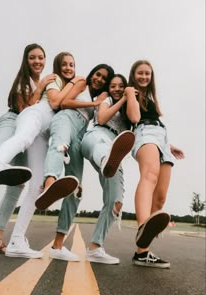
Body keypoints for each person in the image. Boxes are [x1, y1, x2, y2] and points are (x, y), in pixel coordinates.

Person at [0, 43, 54, 253]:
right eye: (32, 57)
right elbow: (24, 109)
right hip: (13, 120)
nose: (37, 61)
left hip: (30, 136)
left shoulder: (46, 85)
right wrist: (42, 84)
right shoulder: (24, 81)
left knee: (16, 186)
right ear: (26, 60)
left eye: (41, 57)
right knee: (2, 147)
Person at [34, 64, 115, 262]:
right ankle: (49, 184)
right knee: (59, 145)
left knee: (76, 188)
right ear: (92, 73)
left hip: (80, 133)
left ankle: (58, 246)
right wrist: (94, 105)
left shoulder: (100, 99)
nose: (99, 79)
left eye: (104, 78)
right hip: (66, 119)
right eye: (97, 74)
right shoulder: (81, 82)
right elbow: (65, 103)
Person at [124, 60, 185, 268]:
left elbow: (156, 125)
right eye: (140, 73)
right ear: (133, 74)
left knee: (159, 198)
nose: (144, 77)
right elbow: (135, 117)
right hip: (144, 133)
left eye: (147, 74)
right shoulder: (130, 92)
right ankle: (142, 226)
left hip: (163, 139)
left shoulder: (151, 97)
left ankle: (142, 254)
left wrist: (170, 145)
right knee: (149, 175)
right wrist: (130, 93)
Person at [80, 74, 137, 264]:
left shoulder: (129, 109)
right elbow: (103, 118)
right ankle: (106, 159)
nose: (117, 88)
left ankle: (95, 248)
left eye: (121, 86)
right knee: (103, 150)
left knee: (116, 202)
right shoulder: (107, 100)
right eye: (113, 86)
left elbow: (141, 132)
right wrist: (122, 98)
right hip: (96, 137)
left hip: (115, 150)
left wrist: (167, 147)